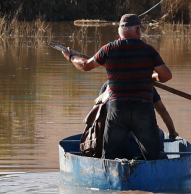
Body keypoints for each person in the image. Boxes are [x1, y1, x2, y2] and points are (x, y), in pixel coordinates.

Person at [63, 13, 172, 159]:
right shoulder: (149, 51)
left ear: (120, 30)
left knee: (109, 157)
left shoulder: (108, 49)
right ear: (138, 30)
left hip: (117, 109)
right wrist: (153, 76)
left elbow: (85, 65)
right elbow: (166, 76)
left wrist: (71, 57)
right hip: (142, 109)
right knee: (153, 157)